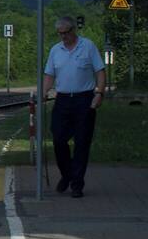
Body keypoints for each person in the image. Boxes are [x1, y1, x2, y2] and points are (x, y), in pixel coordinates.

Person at [42, 16, 107, 198]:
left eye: (66, 33)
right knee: (59, 138)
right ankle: (67, 174)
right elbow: (49, 74)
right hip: (63, 100)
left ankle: (77, 183)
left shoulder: (88, 46)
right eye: (60, 33)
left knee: (82, 142)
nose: (63, 37)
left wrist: (99, 93)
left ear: (73, 31)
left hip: (84, 99)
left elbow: (100, 72)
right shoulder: (56, 50)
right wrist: (44, 90)